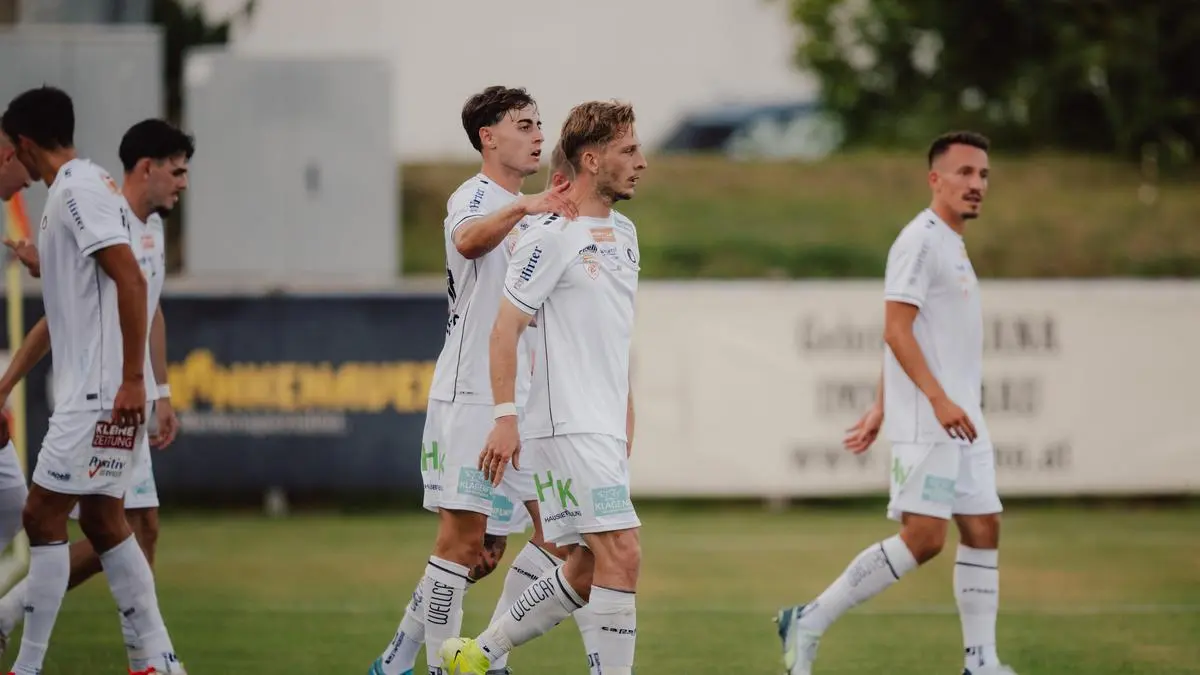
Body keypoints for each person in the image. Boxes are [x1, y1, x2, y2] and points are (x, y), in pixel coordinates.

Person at [775, 131, 1016, 675]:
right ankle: (808, 620)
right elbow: (895, 328)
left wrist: (881, 403)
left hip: (960, 417)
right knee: (924, 539)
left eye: (983, 175)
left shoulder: (952, 244)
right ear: (935, 179)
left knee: (983, 527)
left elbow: (914, 334)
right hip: (933, 419)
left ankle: (981, 662)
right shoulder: (920, 241)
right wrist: (931, 400)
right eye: (964, 172)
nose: (976, 184)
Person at [369, 85, 589, 675]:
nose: (538, 134)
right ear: (488, 137)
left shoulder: (532, 208)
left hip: (523, 403)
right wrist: (527, 207)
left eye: (539, 124)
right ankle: (440, 667)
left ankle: (475, 653)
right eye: (524, 124)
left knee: (562, 538)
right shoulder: (475, 196)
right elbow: (467, 241)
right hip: (471, 395)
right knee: (464, 545)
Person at [440, 99, 646, 675]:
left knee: (583, 565)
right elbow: (504, 330)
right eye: (629, 150)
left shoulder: (626, 234)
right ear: (591, 159)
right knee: (623, 551)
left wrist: (625, 409)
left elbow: (610, 335)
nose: (642, 162)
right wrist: (505, 416)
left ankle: (479, 654)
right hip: (565, 424)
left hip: (601, 425)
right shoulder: (551, 235)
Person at [0, 85, 184, 675]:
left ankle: (26, 664)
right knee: (108, 524)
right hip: (105, 392)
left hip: (97, 396)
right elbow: (79, 299)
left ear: (24, 143)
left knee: (39, 516)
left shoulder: (77, 189)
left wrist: (134, 381)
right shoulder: (85, 188)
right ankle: (159, 660)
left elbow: (131, 281)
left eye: (8, 148)